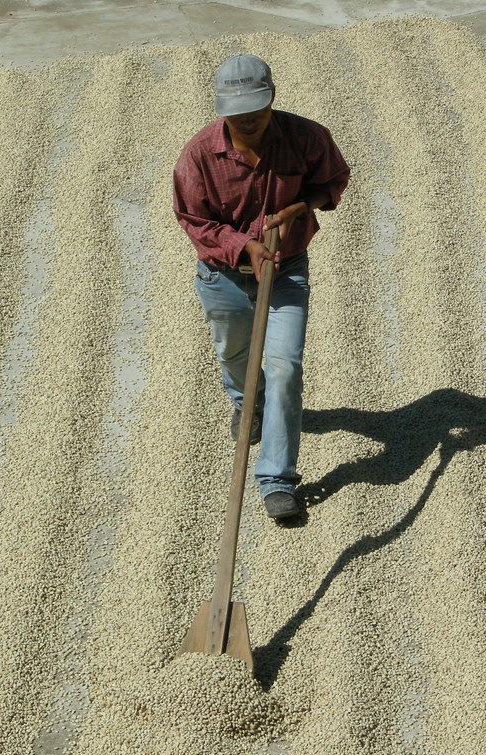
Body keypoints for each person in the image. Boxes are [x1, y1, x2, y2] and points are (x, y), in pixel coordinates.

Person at [172, 53, 350, 519]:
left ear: (272, 96)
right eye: (237, 110)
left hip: (287, 267)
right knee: (235, 354)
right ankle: (245, 404)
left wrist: (298, 209)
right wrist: (243, 247)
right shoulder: (198, 155)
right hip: (222, 275)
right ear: (220, 108)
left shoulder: (306, 137)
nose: (248, 118)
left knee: (285, 365)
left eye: (256, 106)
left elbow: (332, 180)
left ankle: (276, 479)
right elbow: (192, 218)